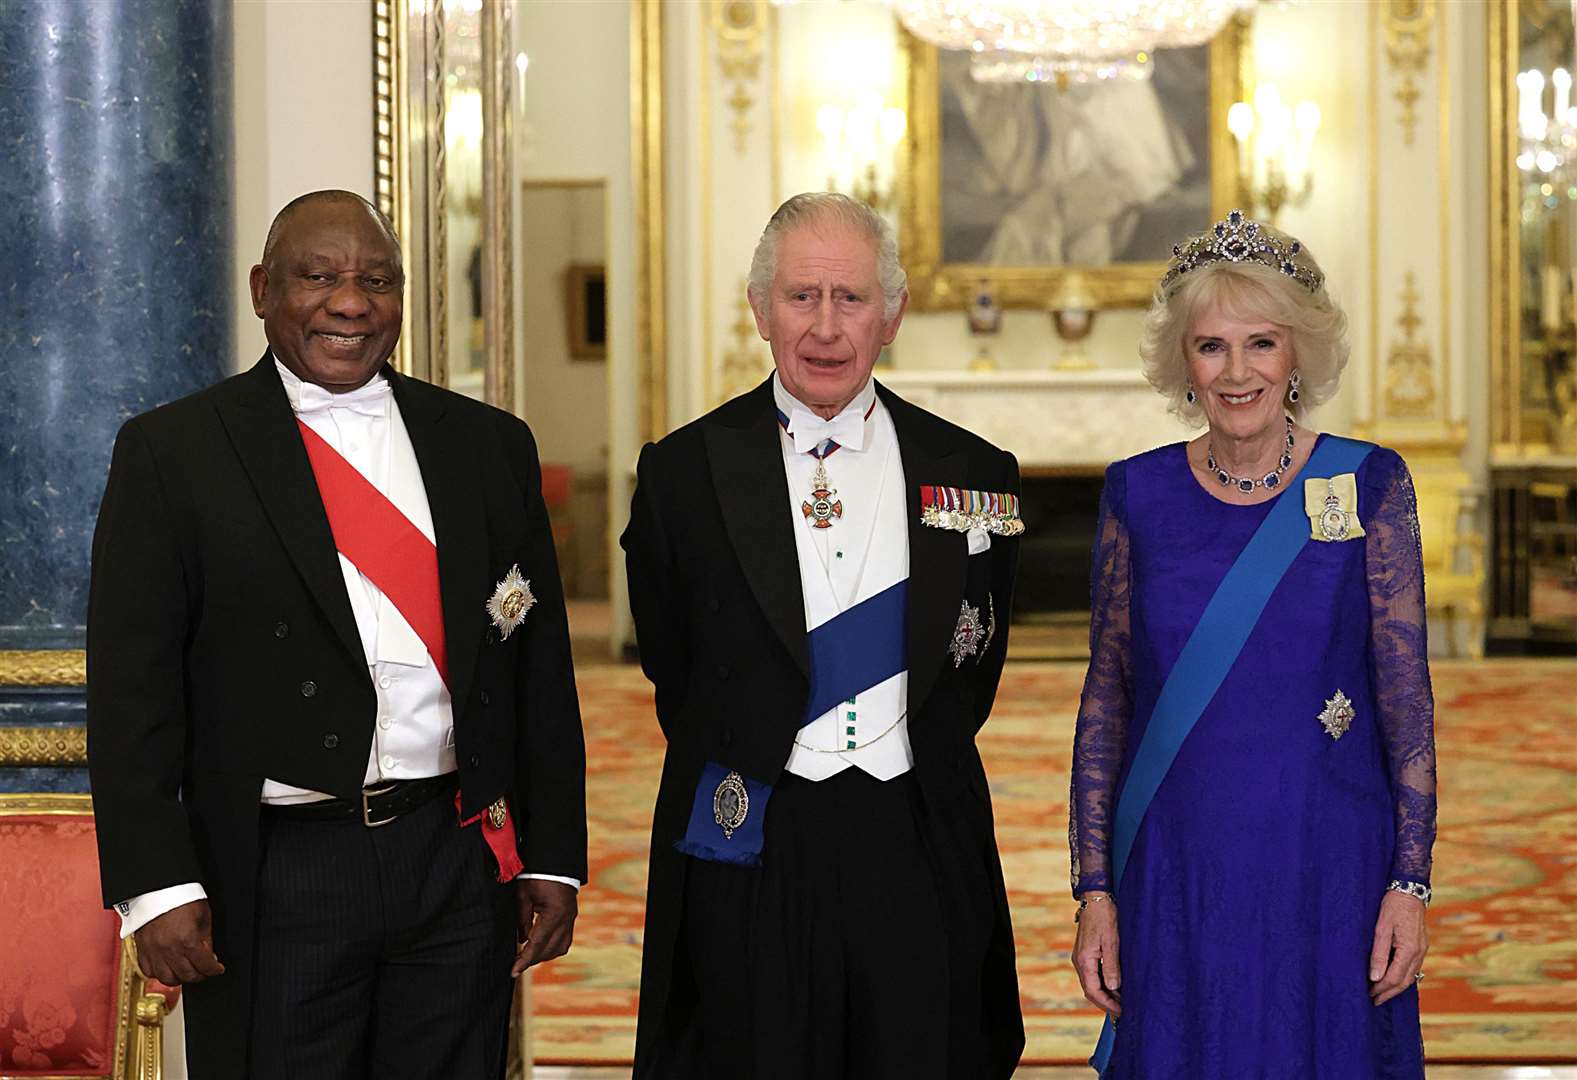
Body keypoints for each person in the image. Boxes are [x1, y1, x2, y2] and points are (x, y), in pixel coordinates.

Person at [86, 190, 587, 1079]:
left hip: (454, 855)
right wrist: (157, 885)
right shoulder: (176, 452)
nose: (350, 302)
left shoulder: (485, 445)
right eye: (317, 276)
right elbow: (132, 692)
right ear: (261, 290)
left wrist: (552, 856)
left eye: (376, 280)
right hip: (280, 871)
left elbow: (536, 674)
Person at [622, 192, 1026, 1078]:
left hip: (912, 822)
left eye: (850, 298)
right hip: (754, 826)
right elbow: (673, 661)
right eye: (802, 297)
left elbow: (972, 666)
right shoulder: (683, 473)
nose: (826, 326)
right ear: (760, 309)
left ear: (892, 316)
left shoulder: (972, 473)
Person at [1068, 210, 1437, 1078]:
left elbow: (1405, 703)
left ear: (1297, 353)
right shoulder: (1138, 494)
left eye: (1261, 344)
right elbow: (1107, 700)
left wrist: (1408, 883)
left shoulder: (1367, 483)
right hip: (1178, 863)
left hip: (1327, 864)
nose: (1236, 372)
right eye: (1210, 347)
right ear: (1181, 363)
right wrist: (1094, 892)